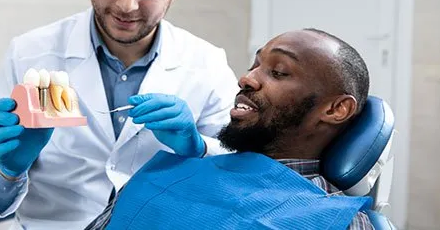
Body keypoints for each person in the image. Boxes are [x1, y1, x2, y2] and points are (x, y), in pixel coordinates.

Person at [0, 0, 238, 229]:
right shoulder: (30, 53)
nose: (127, 4)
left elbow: (238, 180)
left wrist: (199, 147)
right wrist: (8, 171)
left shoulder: (207, 65)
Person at [85, 28, 375, 230]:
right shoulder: (162, 175)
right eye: (254, 65)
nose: (246, 78)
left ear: (336, 110)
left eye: (278, 72)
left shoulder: (337, 221)